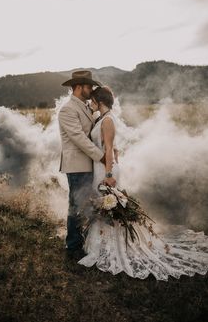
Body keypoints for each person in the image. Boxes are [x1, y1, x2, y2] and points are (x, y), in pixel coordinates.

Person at [78, 86, 208, 281]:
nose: (91, 103)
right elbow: (111, 148)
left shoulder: (107, 120)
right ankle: (100, 242)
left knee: (107, 205)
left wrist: (109, 173)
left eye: (93, 101)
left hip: (105, 170)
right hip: (101, 167)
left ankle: (112, 245)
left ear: (100, 102)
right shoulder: (102, 119)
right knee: (101, 204)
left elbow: (110, 146)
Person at [58, 70, 117, 260]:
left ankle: (86, 240)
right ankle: (73, 246)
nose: (91, 89)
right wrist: (102, 157)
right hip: (77, 165)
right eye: (88, 86)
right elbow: (79, 138)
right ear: (78, 87)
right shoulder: (68, 109)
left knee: (88, 204)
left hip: (90, 164)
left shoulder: (84, 107)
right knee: (76, 205)